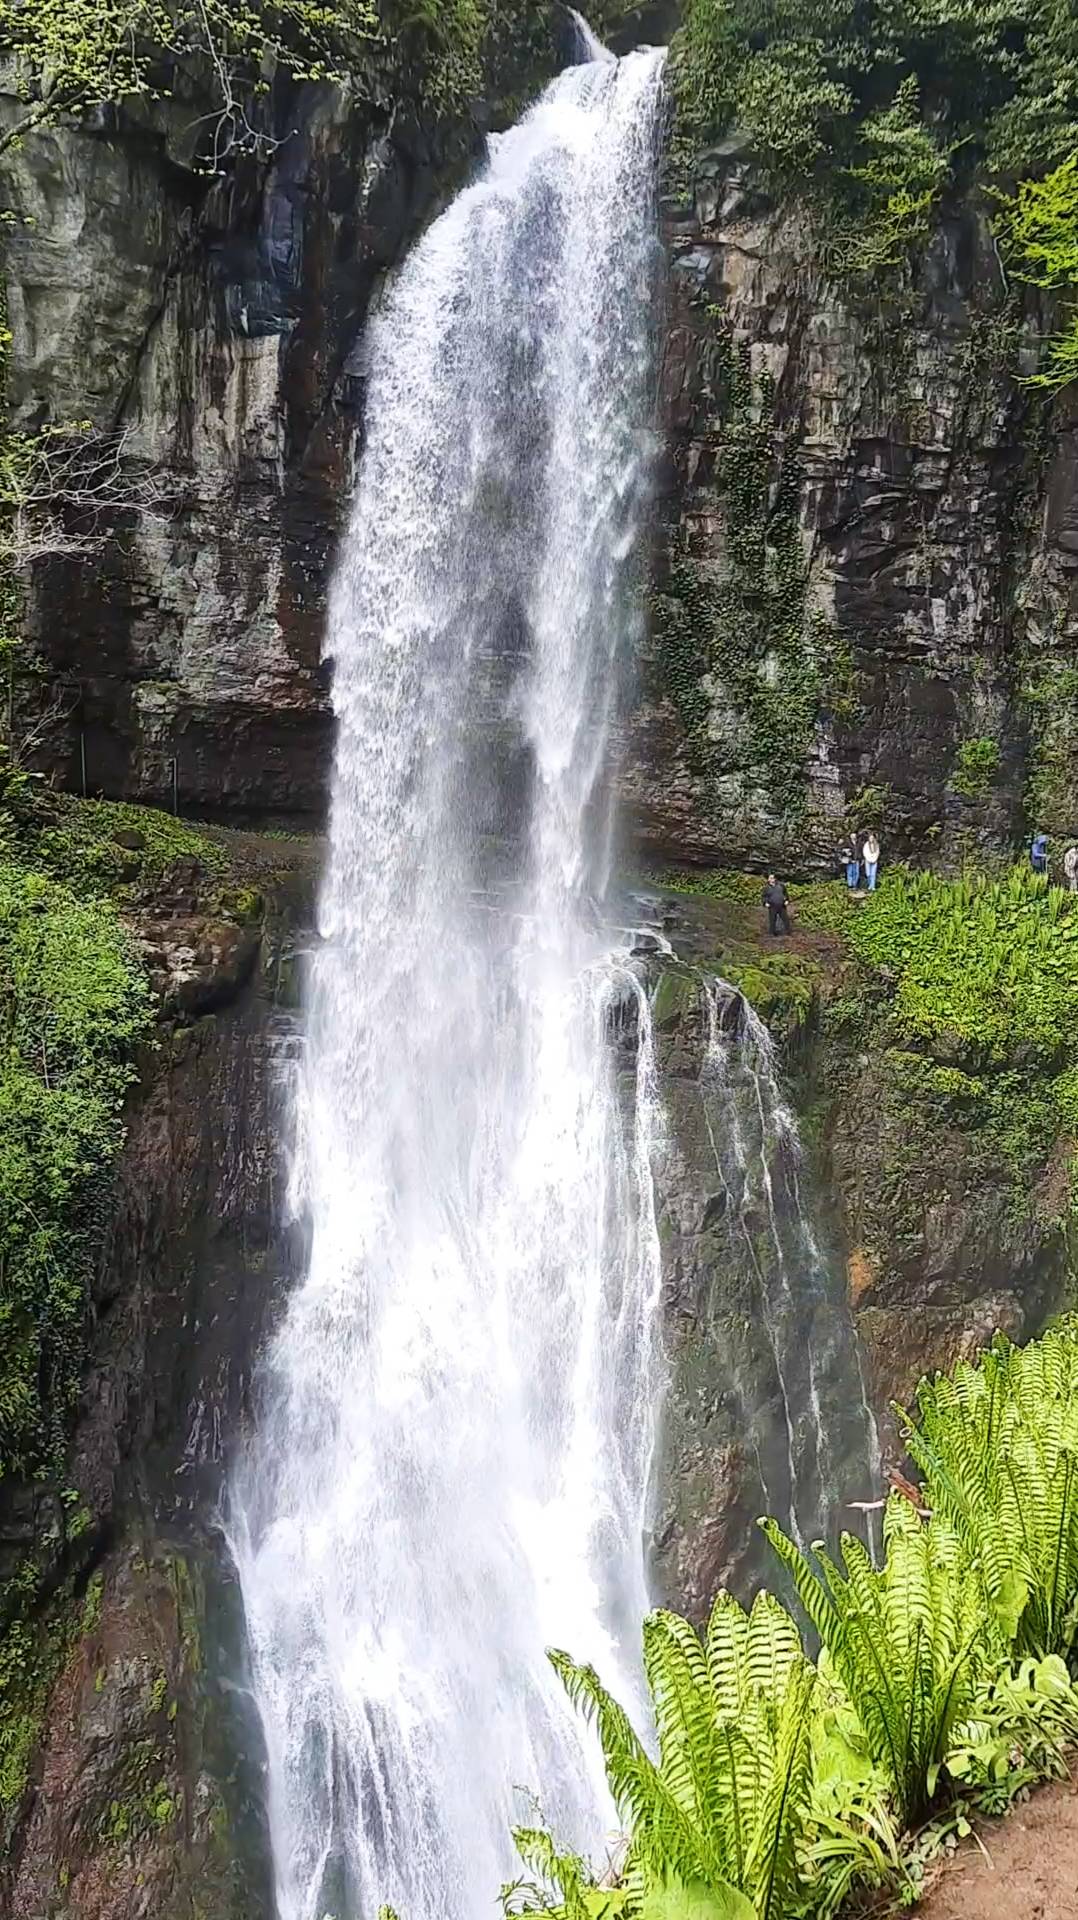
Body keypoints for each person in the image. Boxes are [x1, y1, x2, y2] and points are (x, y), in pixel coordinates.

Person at [762, 872, 790, 937]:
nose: (771, 879)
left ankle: (787, 932)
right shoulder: (766, 888)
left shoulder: (781, 886)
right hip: (772, 906)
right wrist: (765, 903)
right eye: (770, 878)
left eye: (772, 878)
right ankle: (772, 933)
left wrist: (787, 900)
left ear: (775, 879)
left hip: (781, 905)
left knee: (785, 919)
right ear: (768, 879)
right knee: (772, 919)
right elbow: (764, 896)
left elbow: (785, 894)